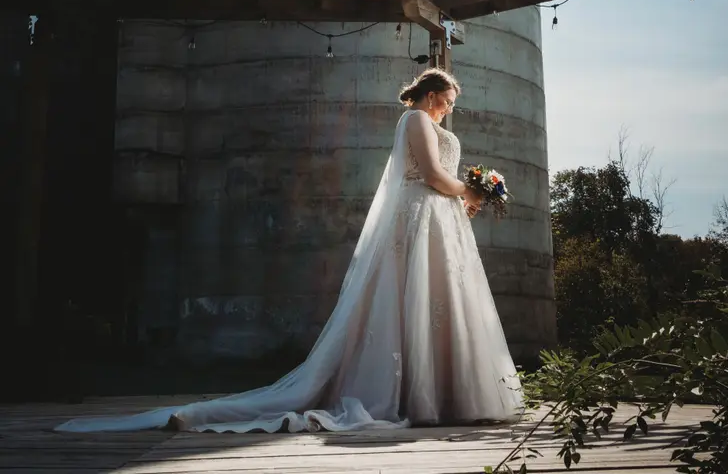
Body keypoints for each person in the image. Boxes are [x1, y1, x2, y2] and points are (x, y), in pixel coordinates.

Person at [55, 69, 523, 434]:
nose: (449, 110)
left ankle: (447, 395)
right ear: (432, 94)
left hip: (437, 221)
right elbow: (435, 177)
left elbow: (444, 181)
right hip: (422, 214)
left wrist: (468, 199)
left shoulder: (428, 120)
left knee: (441, 304)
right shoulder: (416, 119)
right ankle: (418, 397)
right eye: (448, 101)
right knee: (412, 302)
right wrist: (471, 189)